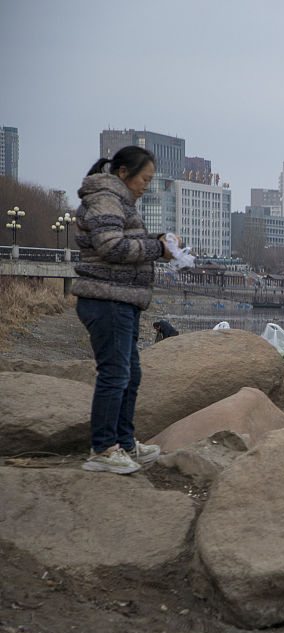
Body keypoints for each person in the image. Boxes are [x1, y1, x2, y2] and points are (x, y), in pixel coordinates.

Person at [71, 145, 178, 474]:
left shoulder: (119, 200)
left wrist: (157, 240)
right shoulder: (105, 197)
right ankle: (103, 449)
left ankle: (125, 443)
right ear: (123, 173)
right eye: (144, 178)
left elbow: (122, 238)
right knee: (115, 375)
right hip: (107, 300)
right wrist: (157, 248)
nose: (147, 185)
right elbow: (111, 246)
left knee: (130, 375)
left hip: (122, 300)